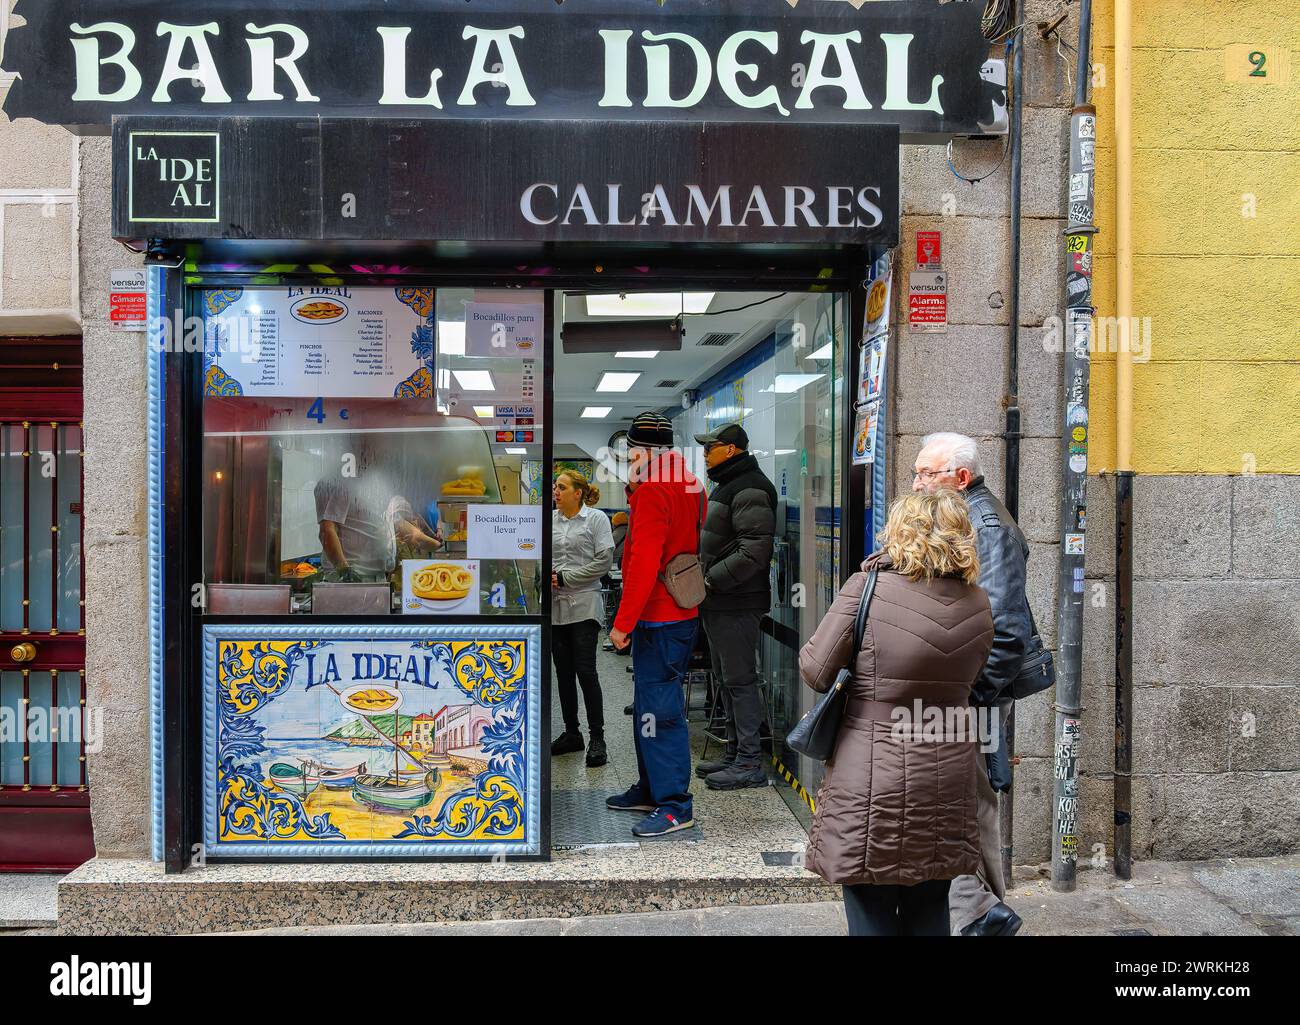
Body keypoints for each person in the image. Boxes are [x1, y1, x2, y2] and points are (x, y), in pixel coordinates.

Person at [799, 491, 994, 936]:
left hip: (872, 772)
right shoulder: (978, 603)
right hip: (947, 773)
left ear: (899, 531)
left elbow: (815, 670)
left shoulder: (867, 587)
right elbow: (979, 675)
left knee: (870, 903)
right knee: (931, 903)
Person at [912, 432, 1033, 937]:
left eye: (927, 474)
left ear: (960, 478)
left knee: (977, 801)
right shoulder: (960, 519)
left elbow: (1008, 634)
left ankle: (986, 914)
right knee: (956, 799)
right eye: (915, 472)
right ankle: (978, 912)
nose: (916, 483)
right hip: (959, 691)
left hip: (975, 693)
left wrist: (969, 698)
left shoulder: (988, 527)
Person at [605, 411, 705, 837]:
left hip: (658, 615)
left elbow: (644, 561)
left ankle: (675, 805)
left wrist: (622, 623)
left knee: (660, 711)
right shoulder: (691, 482)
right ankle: (651, 788)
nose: (627, 459)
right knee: (650, 705)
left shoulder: (652, 490)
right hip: (680, 610)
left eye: (629, 451)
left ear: (641, 450)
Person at [692, 423, 777, 791]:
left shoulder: (750, 488)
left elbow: (753, 551)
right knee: (726, 681)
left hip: (736, 601)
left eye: (710, 448)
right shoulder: (728, 485)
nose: (705, 454)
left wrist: (710, 581)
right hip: (720, 601)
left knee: (741, 681)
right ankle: (734, 753)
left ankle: (749, 762)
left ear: (729, 450)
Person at [550, 470, 615, 768]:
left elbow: (604, 561)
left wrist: (566, 578)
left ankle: (597, 738)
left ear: (578, 493)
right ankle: (572, 733)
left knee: (586, 673)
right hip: (554, 607)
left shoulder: (596, 519)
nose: (556, 491)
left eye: (562, 487)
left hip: (585, 605)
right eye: (555, 487)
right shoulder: (551, 520)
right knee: (562, 673)